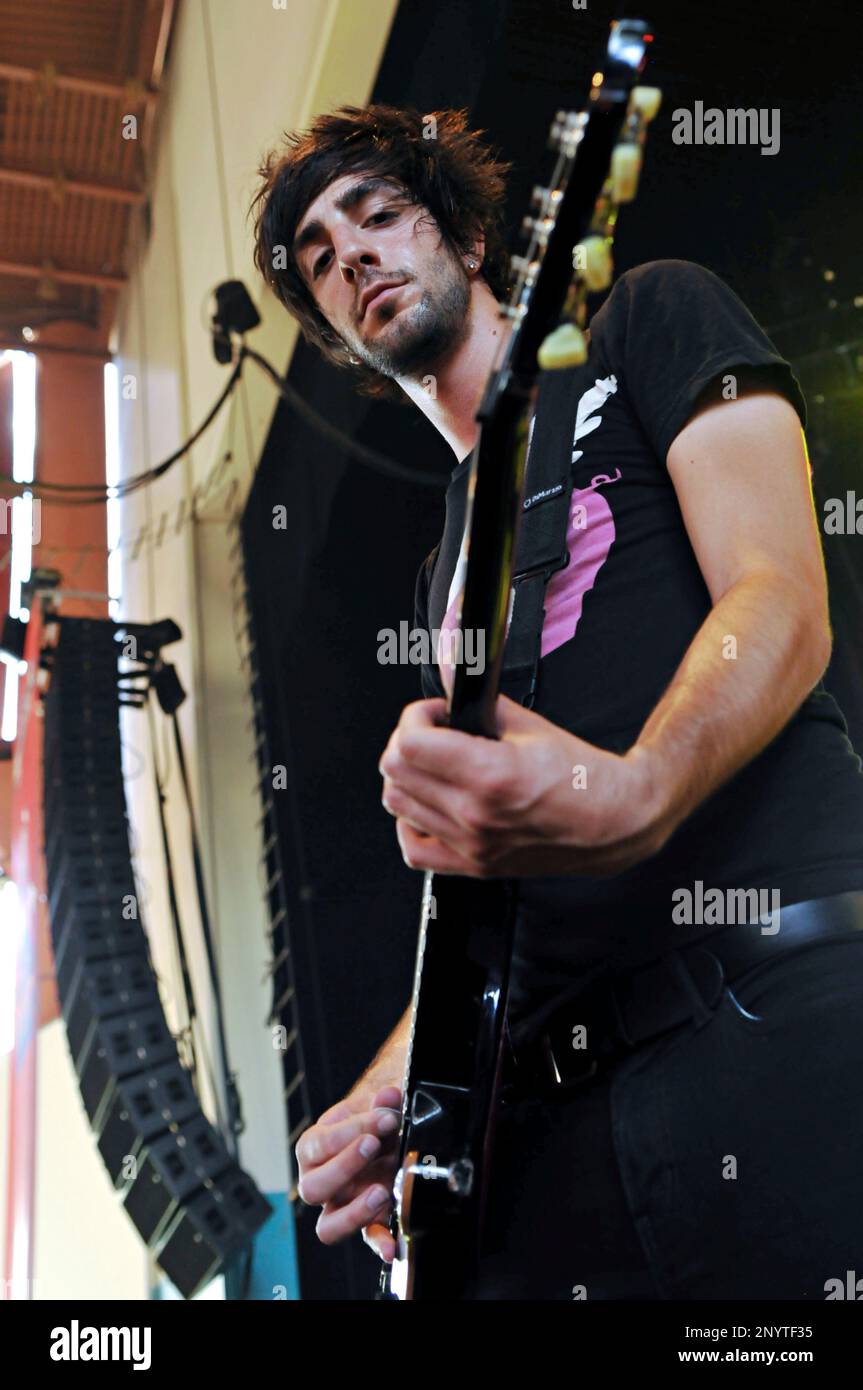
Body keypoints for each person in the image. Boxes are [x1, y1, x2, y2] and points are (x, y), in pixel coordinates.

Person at [250, 103, 863, 1299]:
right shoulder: (443, 573)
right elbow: (482, 895)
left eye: (377, 214)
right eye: (320, 257)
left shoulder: (646, 316)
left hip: (775, 1000)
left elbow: (781, 596)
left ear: (471, 241)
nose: (355, 256)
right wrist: (391, 1096)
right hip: (571, 1128)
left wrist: (633, 792)